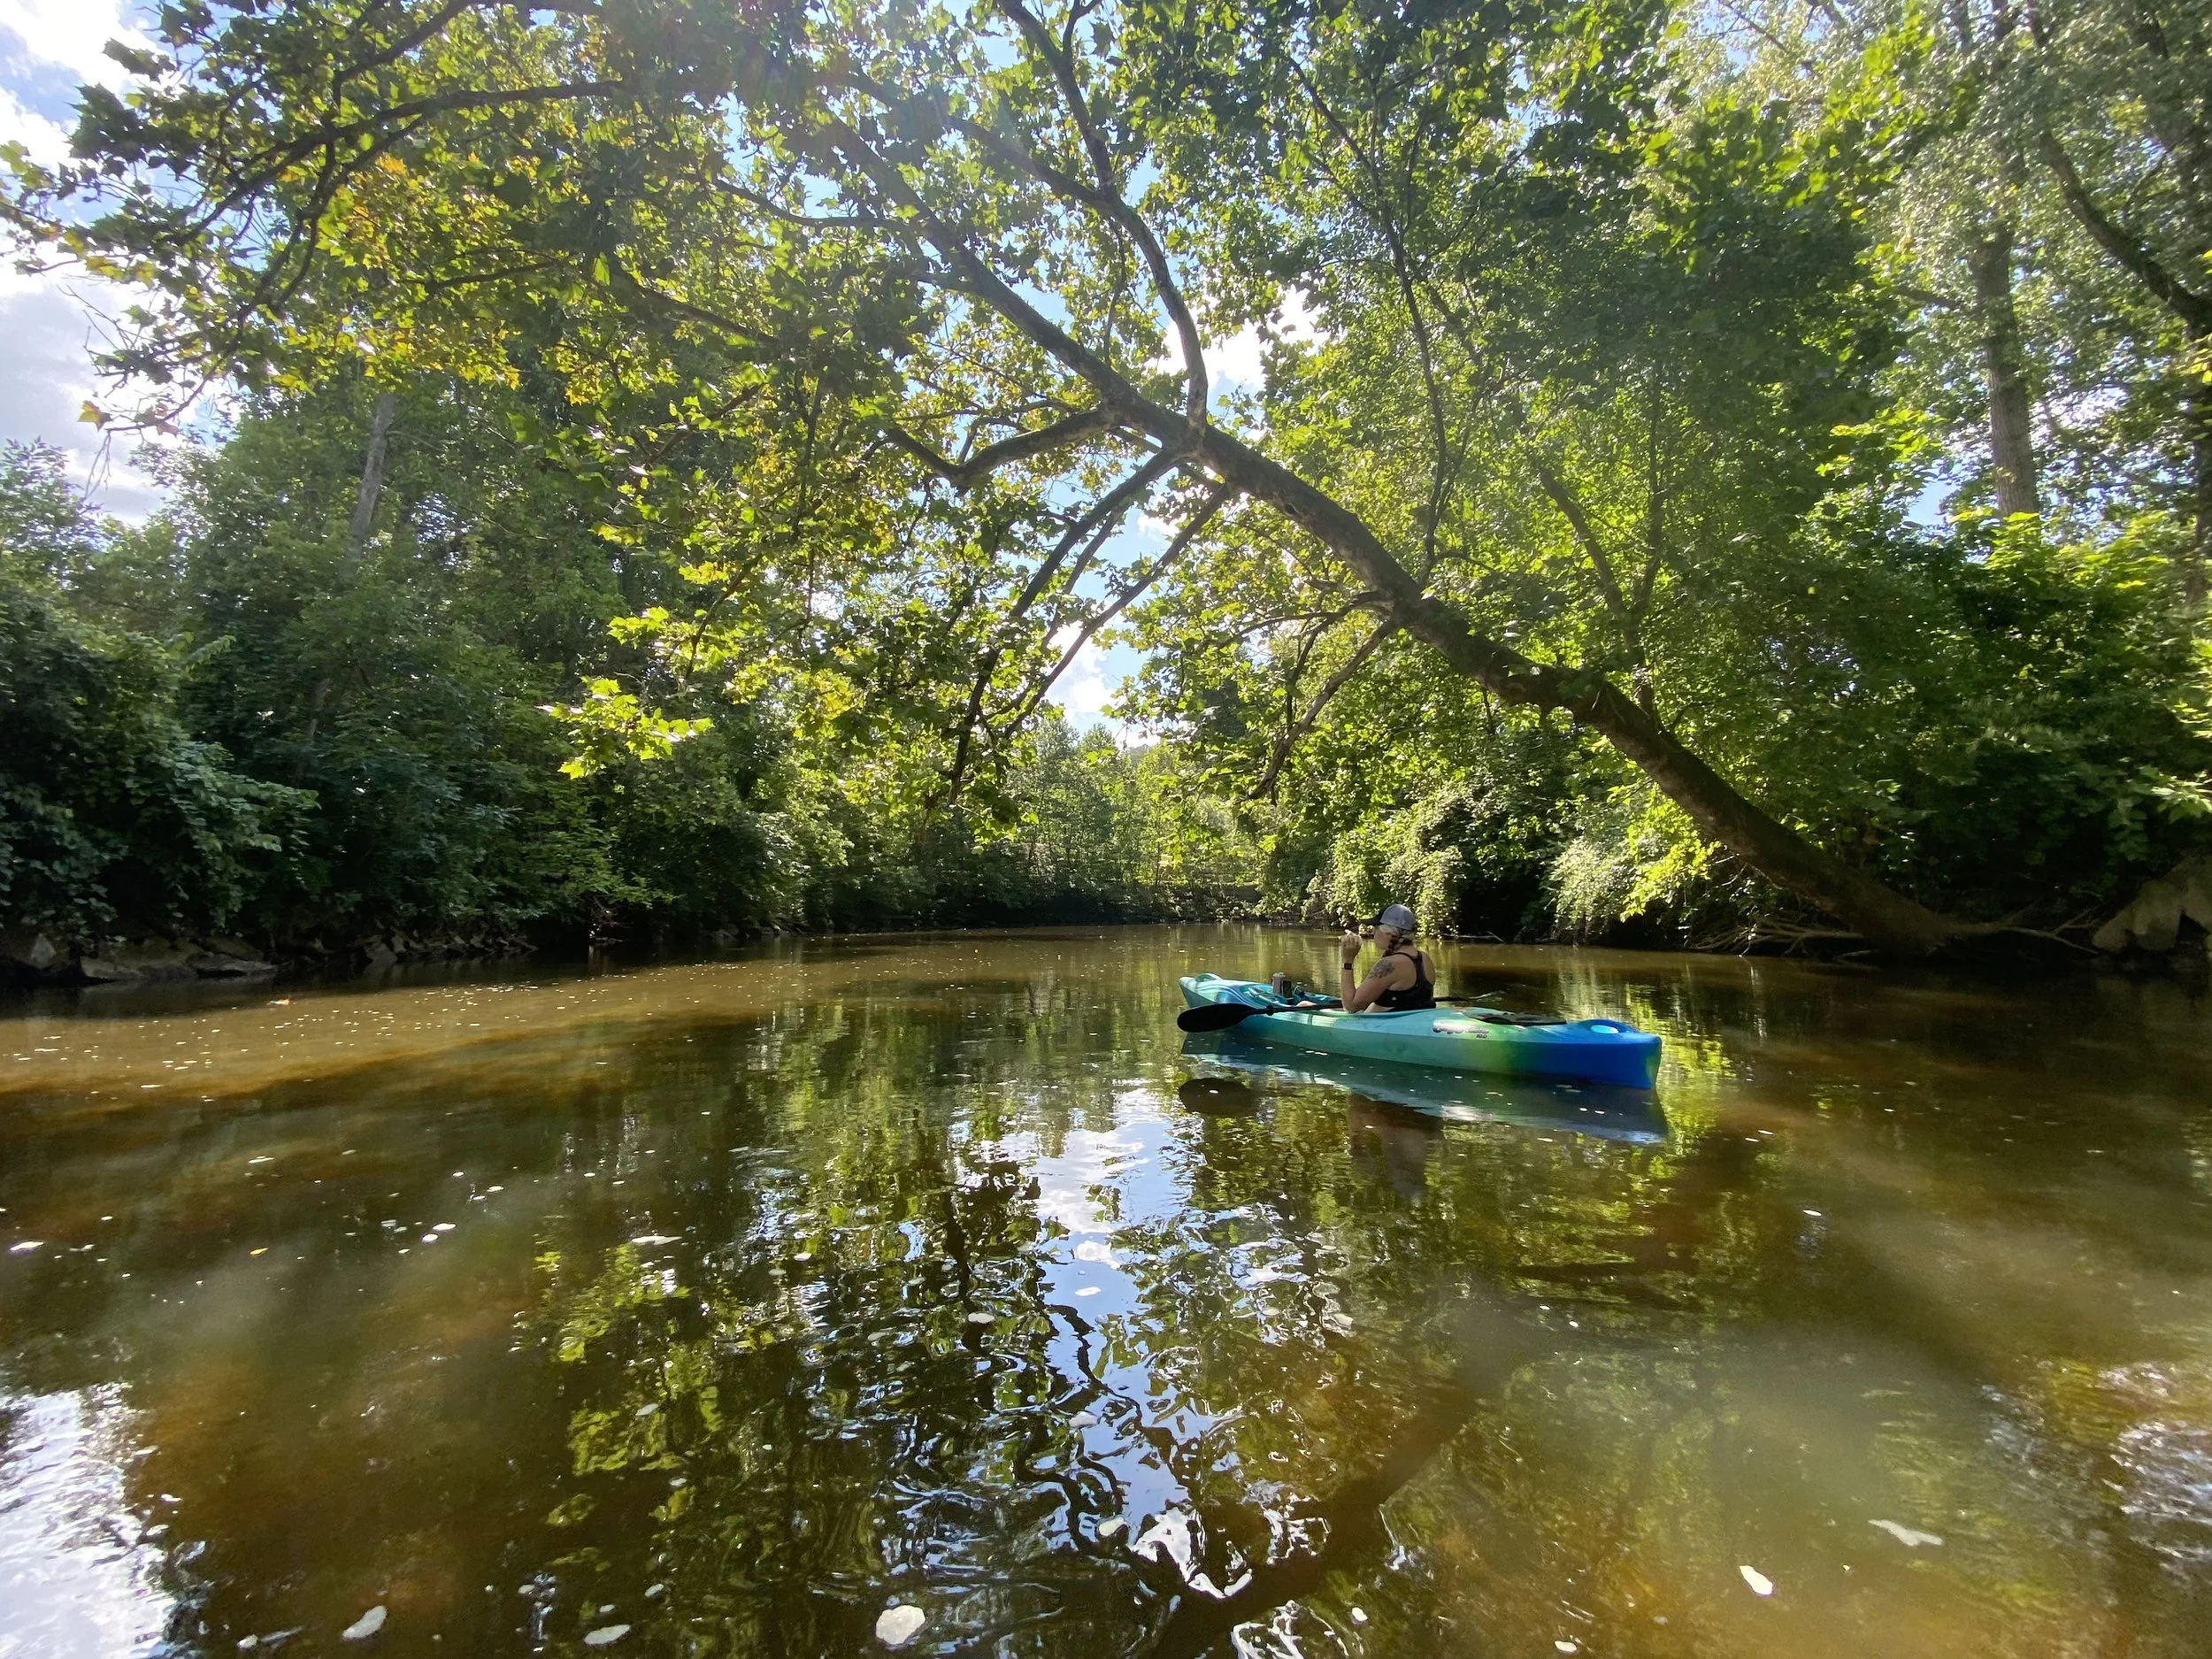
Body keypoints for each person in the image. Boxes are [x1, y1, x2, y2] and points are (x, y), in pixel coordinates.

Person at [1337, 903, 1436, 1011]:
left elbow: (1351, 1006)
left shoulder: (1389, 964)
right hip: (1411, 1023)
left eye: (1376, 927)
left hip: (1378, 1027)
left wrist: (1347, 960)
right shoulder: (1425, 958)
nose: (1373, 932)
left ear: (1389, 932)